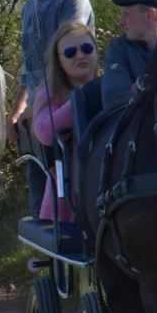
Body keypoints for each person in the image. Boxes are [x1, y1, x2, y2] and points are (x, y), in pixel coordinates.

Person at [8, 0, 94, 220]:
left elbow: (66, 59)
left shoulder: (71, 1)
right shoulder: (29, 7)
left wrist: (37, 108)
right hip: (36, 120)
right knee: (40, 212)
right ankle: (44, 266)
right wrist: (18, 109)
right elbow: (29, 61)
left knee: (67, 210)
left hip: (66, 119)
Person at [32, 22, 98, 222]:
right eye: (70, 52)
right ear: (59, 61)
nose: (80, 56)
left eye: (87, 48)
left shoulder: (110, 88)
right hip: (67, 199)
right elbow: (44, 132)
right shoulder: (50, 94)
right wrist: (82, 97)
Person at [101, 0, 157, 107]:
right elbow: (113, 97)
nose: (120, 22)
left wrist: (141, 87)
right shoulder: (119, 48)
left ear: (150, 15)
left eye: (126, 14)